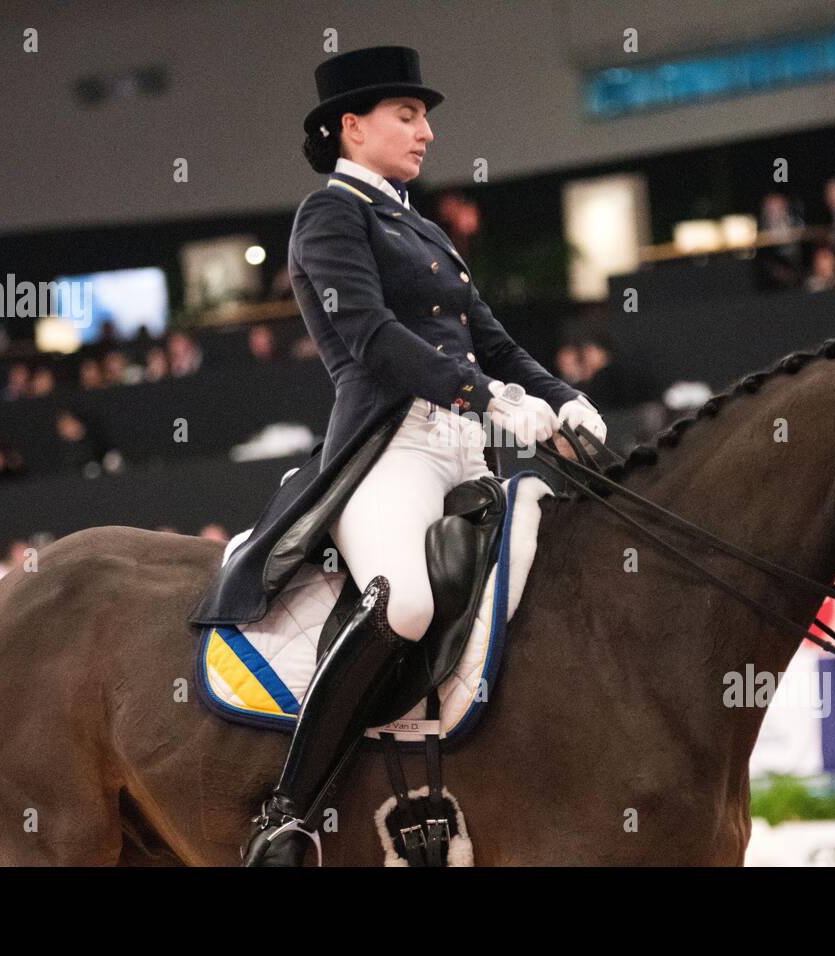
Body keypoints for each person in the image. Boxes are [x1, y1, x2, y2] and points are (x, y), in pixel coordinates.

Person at [239, 45, 606, 866]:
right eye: (408, 116)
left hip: (466, 453)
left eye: (425, 115)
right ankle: (288, 813)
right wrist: (492, 400)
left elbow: (494, 341)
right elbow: (372, 338)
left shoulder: (422, 227)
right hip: (389, 450)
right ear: (352, 127)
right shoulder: (329, 215)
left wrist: (562, 394)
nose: (427, 132)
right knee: (403, 601)